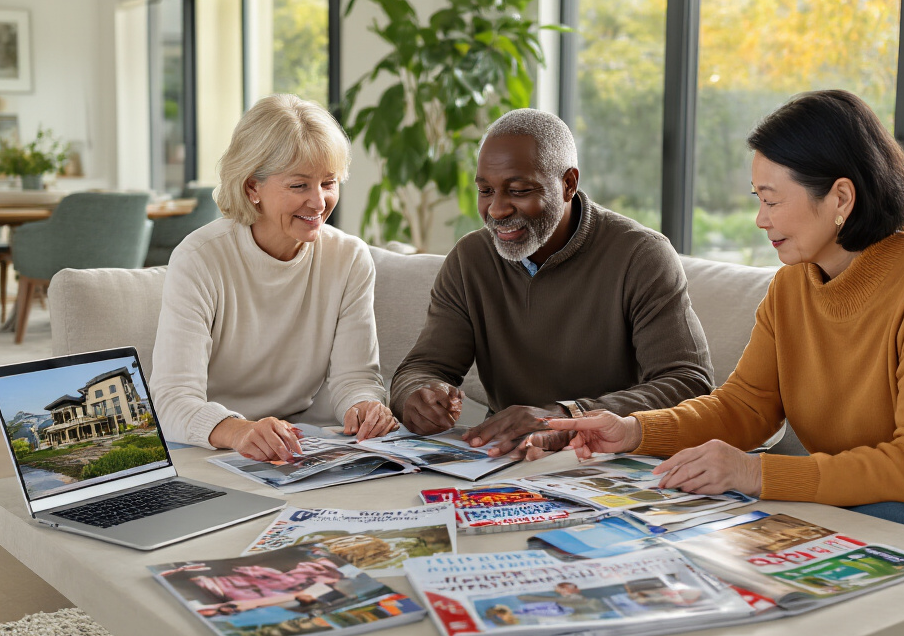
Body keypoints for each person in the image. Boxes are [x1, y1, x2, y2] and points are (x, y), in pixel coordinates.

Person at [548, 90, 904, 636]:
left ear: (840, 197)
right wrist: (634, 430)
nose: (760, 220)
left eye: (771, 199)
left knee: (862, 537)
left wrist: (757, 473)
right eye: (757, 199)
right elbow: (745, 407)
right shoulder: (792, 285)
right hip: (871, 496)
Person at [388, 108, 714, 459]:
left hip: (606, 457)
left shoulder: (641, 255)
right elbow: (423, 367)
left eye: (518, 190)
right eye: (485, 190)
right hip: (503, 458)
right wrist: (417, 396)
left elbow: (689, 382)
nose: (496, 209)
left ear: (568, 184)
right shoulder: (471, 258)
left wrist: (566, 417)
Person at [151, 94, 397, 462]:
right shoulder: (200, 258)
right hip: (213, 443)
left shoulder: (349, 258)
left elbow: (356, 377)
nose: (319, 203)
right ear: (253, 187)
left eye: (328, 183)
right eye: (299, 186)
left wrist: (364, 407)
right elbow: (171, 399)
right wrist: (240, 431)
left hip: (301, 441)